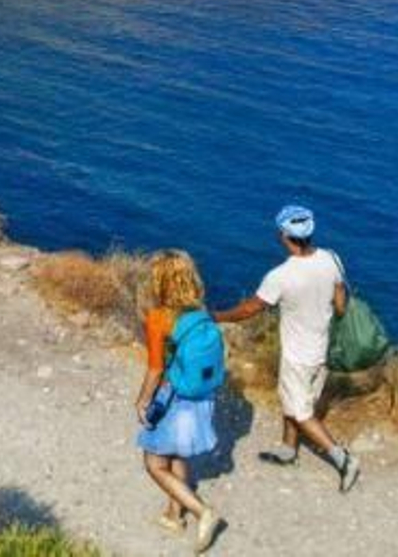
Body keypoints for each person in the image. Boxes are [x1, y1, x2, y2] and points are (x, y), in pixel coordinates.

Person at [211, 205, 362, 492]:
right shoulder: (331, 259)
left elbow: (250, 309)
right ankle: (288, 449)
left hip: (297, 355)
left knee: (302, 412)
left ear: (284, 235)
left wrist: (218, 316)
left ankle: (343, 460)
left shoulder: (281, 275)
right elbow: (341, 305)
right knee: (298, 402)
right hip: (323, 351)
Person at [134, 249, 225, 553]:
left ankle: (203, 512)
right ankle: (174, 515)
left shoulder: (158, 318)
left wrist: (142, 401)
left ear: (158, 283)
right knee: (177, 455)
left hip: (175, 398)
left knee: (154, 463)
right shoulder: (202, 314)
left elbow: (156, 368)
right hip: (202, 397)